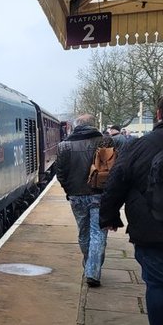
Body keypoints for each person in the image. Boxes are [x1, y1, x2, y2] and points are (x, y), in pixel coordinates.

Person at [100, 96, 163, 325]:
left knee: (159, 285)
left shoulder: (139, 146)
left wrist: (109, 216)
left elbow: (115, 183)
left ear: (158, 114)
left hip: (153, 229)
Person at [56, 114, 112, 287]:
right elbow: (114, 169)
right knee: (98, 233)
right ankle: (92, 271)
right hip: (99, 194)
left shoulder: (63, 146)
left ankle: (89, 264)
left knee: (83, 232)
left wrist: (69, 190)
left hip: (76, 196)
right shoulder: (105, 142)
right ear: (93, 125)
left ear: (76, 126)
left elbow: (60, 174)